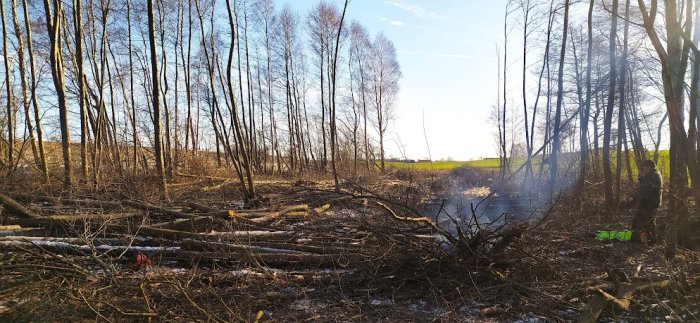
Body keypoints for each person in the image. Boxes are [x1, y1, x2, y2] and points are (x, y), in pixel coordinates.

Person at [632, 159, 662, 243]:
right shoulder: (655, 175)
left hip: (648, 203)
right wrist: (642, 179)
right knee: (650, 223)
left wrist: (640, 202)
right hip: (652, 203)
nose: (643, 170)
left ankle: (639, 240)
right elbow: (648, 187)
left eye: (644, 168)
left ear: (649, 167)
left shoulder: (652, 176)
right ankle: (652, 240)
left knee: (641, 222)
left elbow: (646, 191)